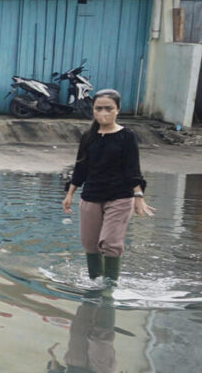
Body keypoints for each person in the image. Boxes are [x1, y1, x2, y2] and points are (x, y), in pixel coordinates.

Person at [61, 89, 154, 283]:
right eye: (99, 108)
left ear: (118, 110)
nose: (104, 113)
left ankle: (109, 288)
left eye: (109, 108)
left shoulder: (126, 136)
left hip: (119, 196)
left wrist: (138, 196)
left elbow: (132, 168)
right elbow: (81, 167)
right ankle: (96, 284)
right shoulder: (88, 137)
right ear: (93, 110)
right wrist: (70, 193)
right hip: (91, 196)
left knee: (110, 243)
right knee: (90, 244)